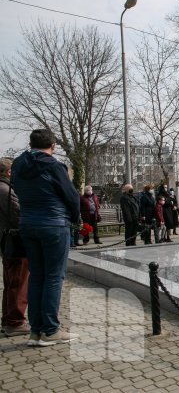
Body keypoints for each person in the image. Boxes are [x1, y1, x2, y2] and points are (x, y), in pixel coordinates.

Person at [12, 128, 80, 346]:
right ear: (53, 145)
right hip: (53, 224)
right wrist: (75, 217)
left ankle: (36, 330)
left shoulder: (19, 164)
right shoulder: (53, 165)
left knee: (37, 276)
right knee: (53, 277)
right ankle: (50, 330)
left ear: (31, 144)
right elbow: (71, 195)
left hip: (28, 223)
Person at [0, 157, 30, 337]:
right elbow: (19, 215)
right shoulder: (5, 190)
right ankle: (15, 322)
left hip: (7, 240)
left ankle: (8, 319)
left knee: (11, 281)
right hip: (14, 241)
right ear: (8, 172)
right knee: (18, 282)